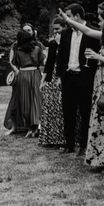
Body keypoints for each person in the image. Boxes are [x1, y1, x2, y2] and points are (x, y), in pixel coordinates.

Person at [60, 8, 104, 171]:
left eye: (101, 20)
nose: (99, 23)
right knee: (99, 121)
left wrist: (98, 57)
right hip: (101, 83)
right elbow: (87, 30)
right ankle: (98, 159)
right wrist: (68, 21)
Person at [55, 3, 101, 155]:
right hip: (68, 77)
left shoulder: (92, 32)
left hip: (84, 77)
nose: (65, 19)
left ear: (76, 16)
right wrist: (60, 76)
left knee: (85, 111)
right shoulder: (66, 33)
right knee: (68, 111)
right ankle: (69, 144)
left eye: (68, 15)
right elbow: (60, 56)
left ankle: (83, 145)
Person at [3, 30, 45, 137]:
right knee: (36, 100)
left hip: (23, 75)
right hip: (35, 74)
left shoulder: (18, 52)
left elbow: (14, 63)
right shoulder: (37, 49)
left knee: (25, 101)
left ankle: (30, 128)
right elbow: (42, 61)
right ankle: (35, 127)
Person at [38, 17, 66, 148]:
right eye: (54, 29)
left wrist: (61, 44)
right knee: (50, 107)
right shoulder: (53, 43)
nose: (55, 32)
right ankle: (50, 138)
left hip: (64, 75)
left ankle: (62, 138)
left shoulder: (68, 42)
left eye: (58, 29)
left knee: (61, 109)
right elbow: (49, 62)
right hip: (51, 77)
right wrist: (43, 81)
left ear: (64, 28)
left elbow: (64, 59)